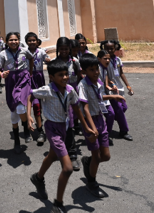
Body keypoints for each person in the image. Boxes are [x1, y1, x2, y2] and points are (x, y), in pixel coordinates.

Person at [28, 58, 93, 213]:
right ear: (51, 77)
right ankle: (57, 205)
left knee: (52, 156)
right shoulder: (47, 90)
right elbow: (29, 94)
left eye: (66, 74)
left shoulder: (70, 90)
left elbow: (77, 108)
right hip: (52, 129)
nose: (65, 77)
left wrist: (86, 128)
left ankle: (38, 177)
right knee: (68, 168)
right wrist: (29, 115)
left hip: (64, 128)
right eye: (60, 75)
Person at [77, 55, 117, 197]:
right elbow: (85, 108)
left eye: (97, 69)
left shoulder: (98, 82)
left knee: (105, 156)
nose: (95, 72)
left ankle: (87, 161)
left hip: (100, 119)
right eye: (91, 70)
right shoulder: (82, 85)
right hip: (90, 122)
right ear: (84, 71)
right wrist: (92, 128)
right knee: (96, 155)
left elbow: (99, 98)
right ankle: (91, 182)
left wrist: (113, 96)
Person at [0, 32, 34, 154]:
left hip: (23, 79)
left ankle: (26, 127)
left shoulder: (24, 50)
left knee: (20, 106)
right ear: (7, 42)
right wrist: (2, 74)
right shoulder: (3, 54)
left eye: (16, 40)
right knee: (14, 110)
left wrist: (30, 72)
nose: (14, 42)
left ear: (19, 40)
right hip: (11, 81)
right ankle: (17, 139)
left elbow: (31, 58)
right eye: (11, 40)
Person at [51, 37, 82, 172]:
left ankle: (73, 154)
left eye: (66, 48)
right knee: (59, 124)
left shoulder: (75, 62)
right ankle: (60, 151)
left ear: (70, 49)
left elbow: (80, 76)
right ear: (58, 49)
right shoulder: (54, 63)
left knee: (70, 125)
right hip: (59, 96)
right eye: (61, 49)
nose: (64, 51)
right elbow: (51, 81)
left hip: (71, 94)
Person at [25, 32, 49, 145]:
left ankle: (40, 120)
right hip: (29, 78)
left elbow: (47, 59)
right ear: (26, 42)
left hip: (39, 79)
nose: (32, 42)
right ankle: (40, 131)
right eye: (29, 41)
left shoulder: (41, 52)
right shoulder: (25, 53)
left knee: (41, 103)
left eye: (34, 40)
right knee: (35, 104)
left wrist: (50, 60)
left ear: (37, 41)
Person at [107, 40, 133, 141]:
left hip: (120, 88)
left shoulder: (117, 60)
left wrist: (128, 86)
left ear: (115, 49)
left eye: (111, 48)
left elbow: (121, 73)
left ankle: (108, 122)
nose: (109, 50)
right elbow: (104, 75)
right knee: (119, 110)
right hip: (111, 89)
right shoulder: (104, 61)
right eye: (107, 48)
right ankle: (124, 131)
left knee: (123, 108)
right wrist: (111, 84)